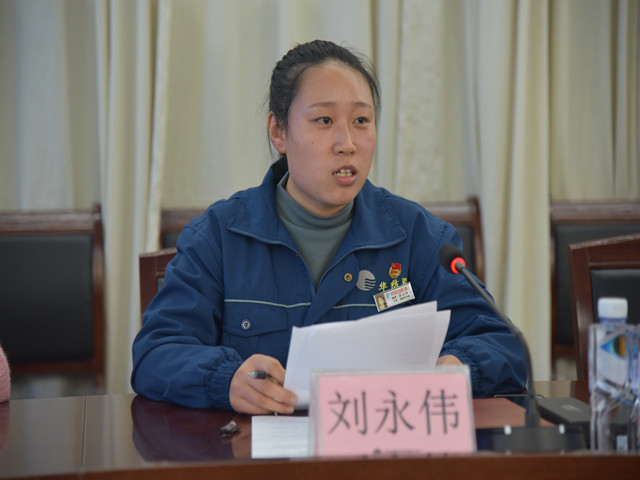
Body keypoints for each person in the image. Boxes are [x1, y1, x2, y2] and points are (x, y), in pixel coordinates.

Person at [131, 39, 526, 414]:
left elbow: (501, 343)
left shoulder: (420, 237)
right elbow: (156, 352)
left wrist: (454, 367)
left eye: (361, 120)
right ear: (278, 132)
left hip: (380, 445)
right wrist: (226, 379)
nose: (347, 143)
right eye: (324, 120)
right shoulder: (218, 236)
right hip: (256, 447)